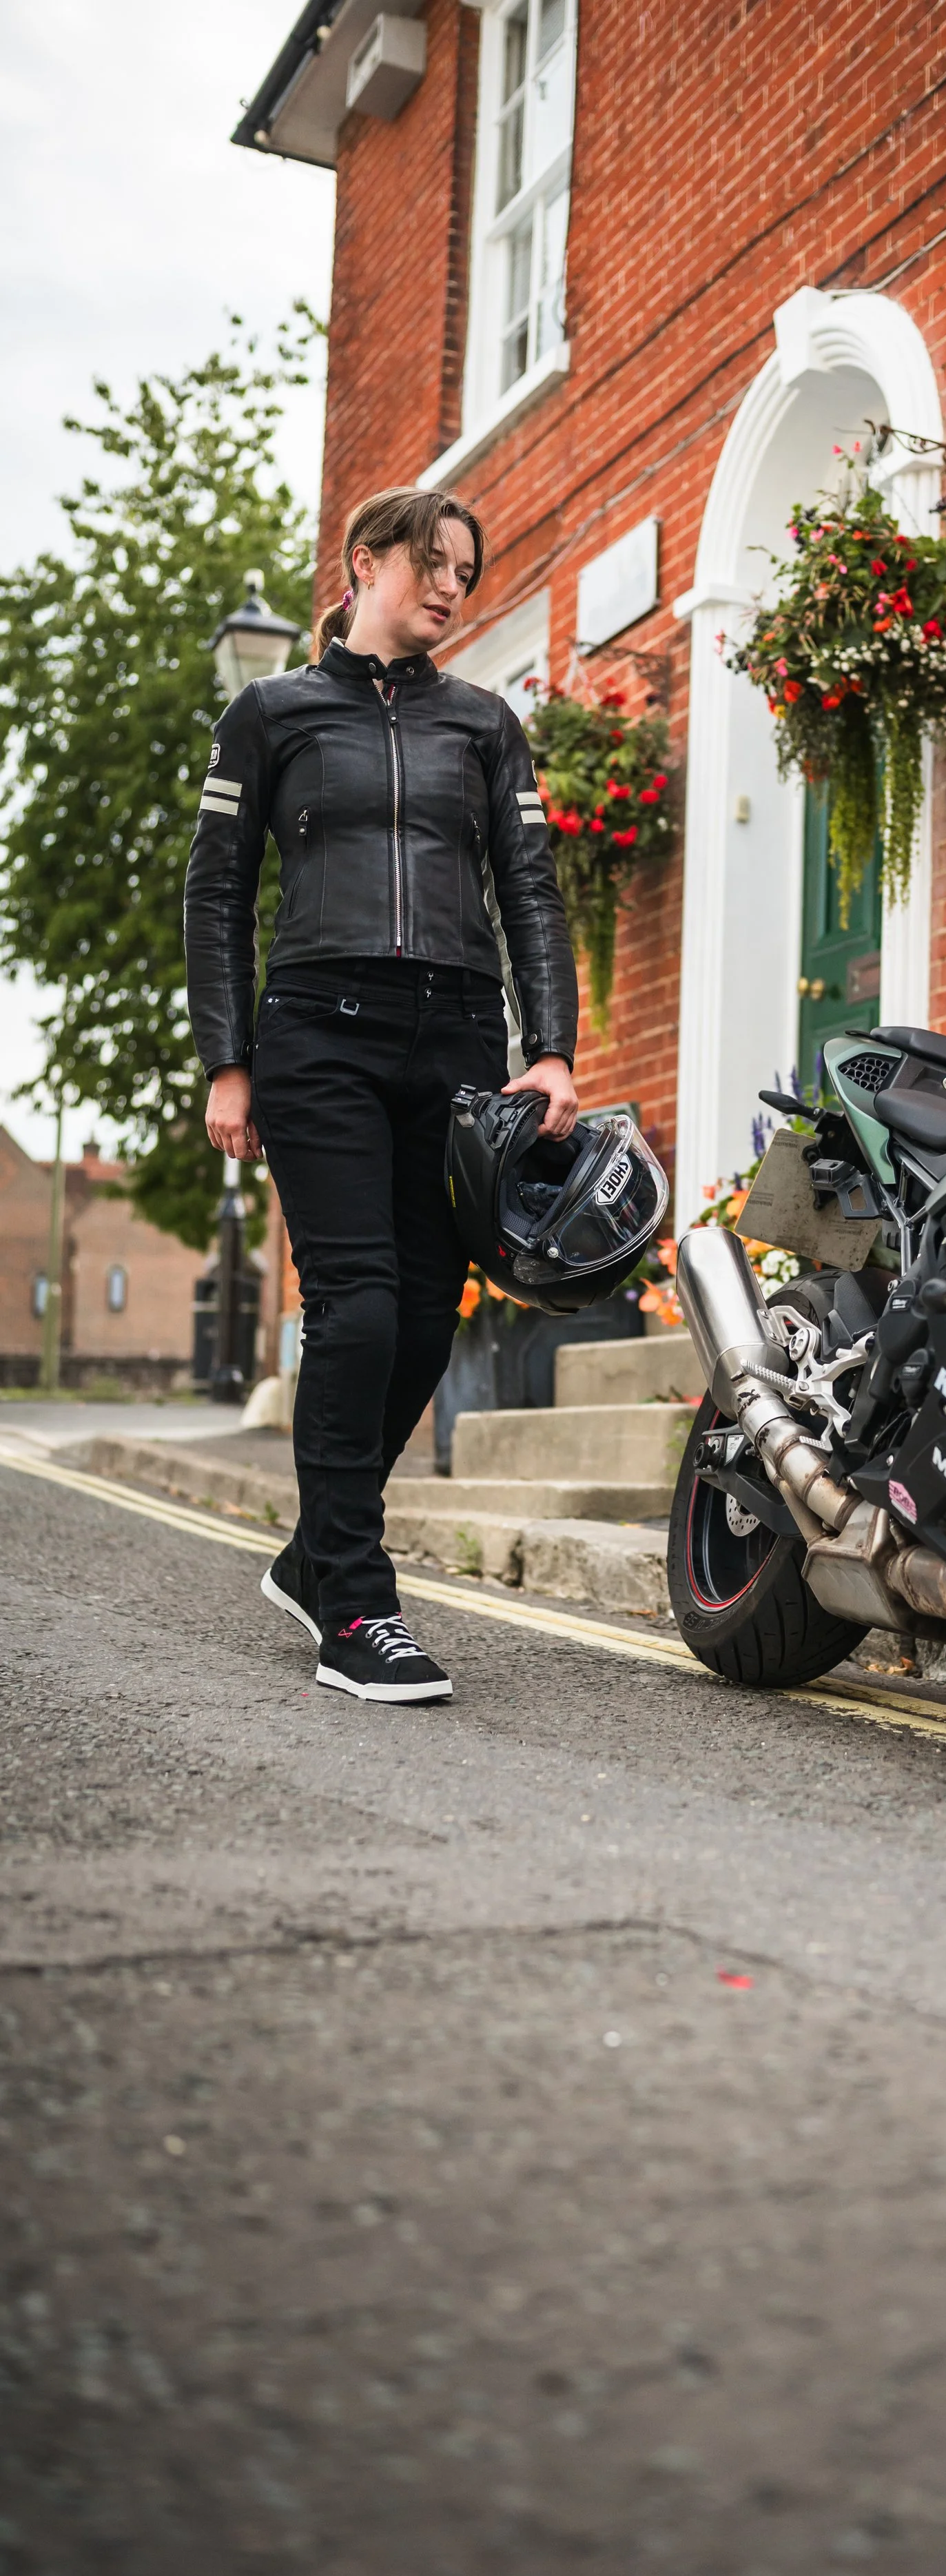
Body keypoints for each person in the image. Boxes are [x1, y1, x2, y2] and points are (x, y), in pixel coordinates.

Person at [185, 487, 580, 1703]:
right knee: (355, 1305)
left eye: (467, 568)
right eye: (432, 563)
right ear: (366, 564)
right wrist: (228, 1058)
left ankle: (316, 1550)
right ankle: (355, 1603)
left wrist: (549, 1045)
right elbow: (214, 894)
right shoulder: (273, 713)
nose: (454, 586)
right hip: (320, 1035)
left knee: (423, 1309)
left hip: (456, 1036)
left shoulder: (485, 724)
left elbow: (529, 886)